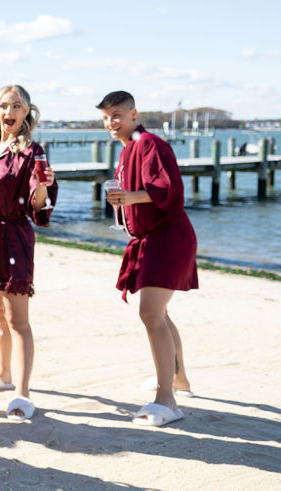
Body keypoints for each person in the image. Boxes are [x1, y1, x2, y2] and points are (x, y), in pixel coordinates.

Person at [98, 90, 197, 427]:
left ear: (133, 114)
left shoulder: (151, 144)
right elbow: (139, 197)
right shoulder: (127, 152)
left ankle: (166, 399)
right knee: (160, 314)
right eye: (106, 117)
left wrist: (130, 196)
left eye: (117, 115)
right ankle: (179, 380)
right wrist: (127, 202)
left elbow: (170, 191)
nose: (111, 122)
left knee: (150, 313)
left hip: (168, 238)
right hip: (150, 240)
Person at [0, 85, 57, 421]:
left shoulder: (33, 152)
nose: (9, 112)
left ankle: (22, 392)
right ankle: (4, 375)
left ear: (27, 111)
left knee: (18, 319)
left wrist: (44, 184)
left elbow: (37, 205)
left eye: (16, 106)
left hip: (13, 235)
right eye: (4, 105)